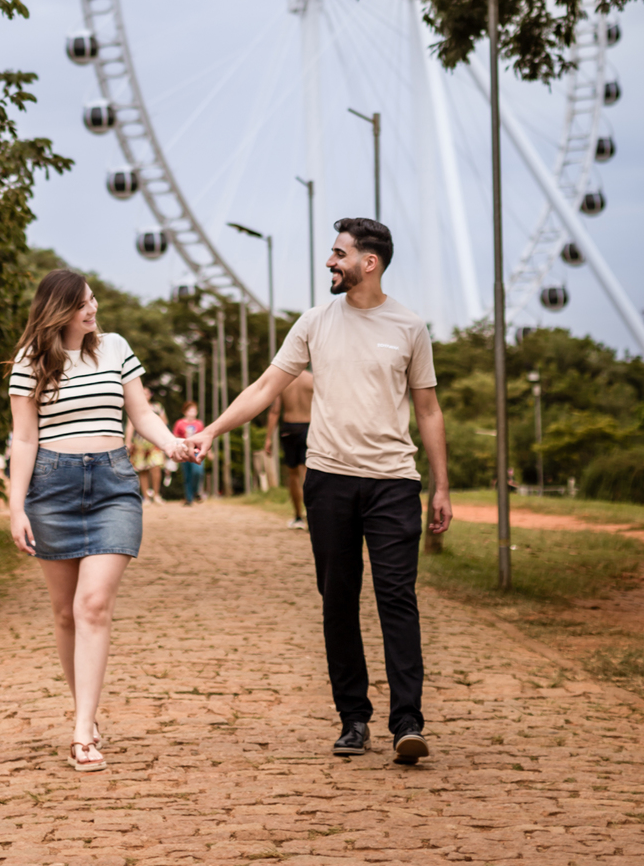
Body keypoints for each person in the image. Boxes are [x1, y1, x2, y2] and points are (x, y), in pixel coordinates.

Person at [189, 217, 451, 765]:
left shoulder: (409, 327)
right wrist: (212, 429)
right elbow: (266, 386)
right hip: (329, 480)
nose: (330, 263)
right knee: (338, 600)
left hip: (393, 483)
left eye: (338, 254)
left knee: (396, 599)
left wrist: (441, 486)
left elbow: (427, 408)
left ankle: (408, 723)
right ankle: (353, 719)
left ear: (368, 263)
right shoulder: (314, 323)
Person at [8, 267, 190, 772]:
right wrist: (16, 507)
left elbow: (143, 413)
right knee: (65, 612)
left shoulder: (113, 347)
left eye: (93, 301)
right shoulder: (29, 362)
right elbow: (23, 438)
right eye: (84, 303)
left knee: (92, 605)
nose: (93, 310)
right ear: (59, 309)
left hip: (113, 485)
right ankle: (83, 710)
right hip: (52, 489)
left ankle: (83, 731)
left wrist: (171, 444)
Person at [266, 368, 314, 528]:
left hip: (289, 429)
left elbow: (275, 411)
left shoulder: (284, 380)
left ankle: (298, 516)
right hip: (310, 427)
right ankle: (312, 516)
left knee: (293, 476)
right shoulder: (312, 379)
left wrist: (268, 438)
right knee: (309, 474)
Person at [127, 400, 168, 502]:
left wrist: (166, 439)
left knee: (156, 467)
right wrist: (128, 441)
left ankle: (156, 495)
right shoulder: (134, 407)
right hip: (140, 444)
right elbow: (130, 426)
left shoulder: (157, 407)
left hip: (155, 442)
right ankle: (146, 497)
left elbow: (164, 423)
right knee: (142, 469)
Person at [173, 402, 206, 506]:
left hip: (197, 451)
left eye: (195, 410)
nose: (193, 413)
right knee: (187, 476)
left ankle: (196, 491)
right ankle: (189, 499)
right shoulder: (179, 423)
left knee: (198, 472)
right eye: (191, 410)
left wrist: (208, 451)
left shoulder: (199, 424)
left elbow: (204, 438)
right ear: (185, 412)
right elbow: (175, 437)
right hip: (184, 452)